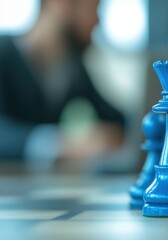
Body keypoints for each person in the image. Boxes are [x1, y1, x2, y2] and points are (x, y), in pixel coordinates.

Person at [0, 0, 125, 167]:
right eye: (94, 8)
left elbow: (115, 118)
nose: (97, 21)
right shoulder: (4, 53)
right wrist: (58, 144)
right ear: (61, 3)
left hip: (42, 188)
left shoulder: (71, 68)